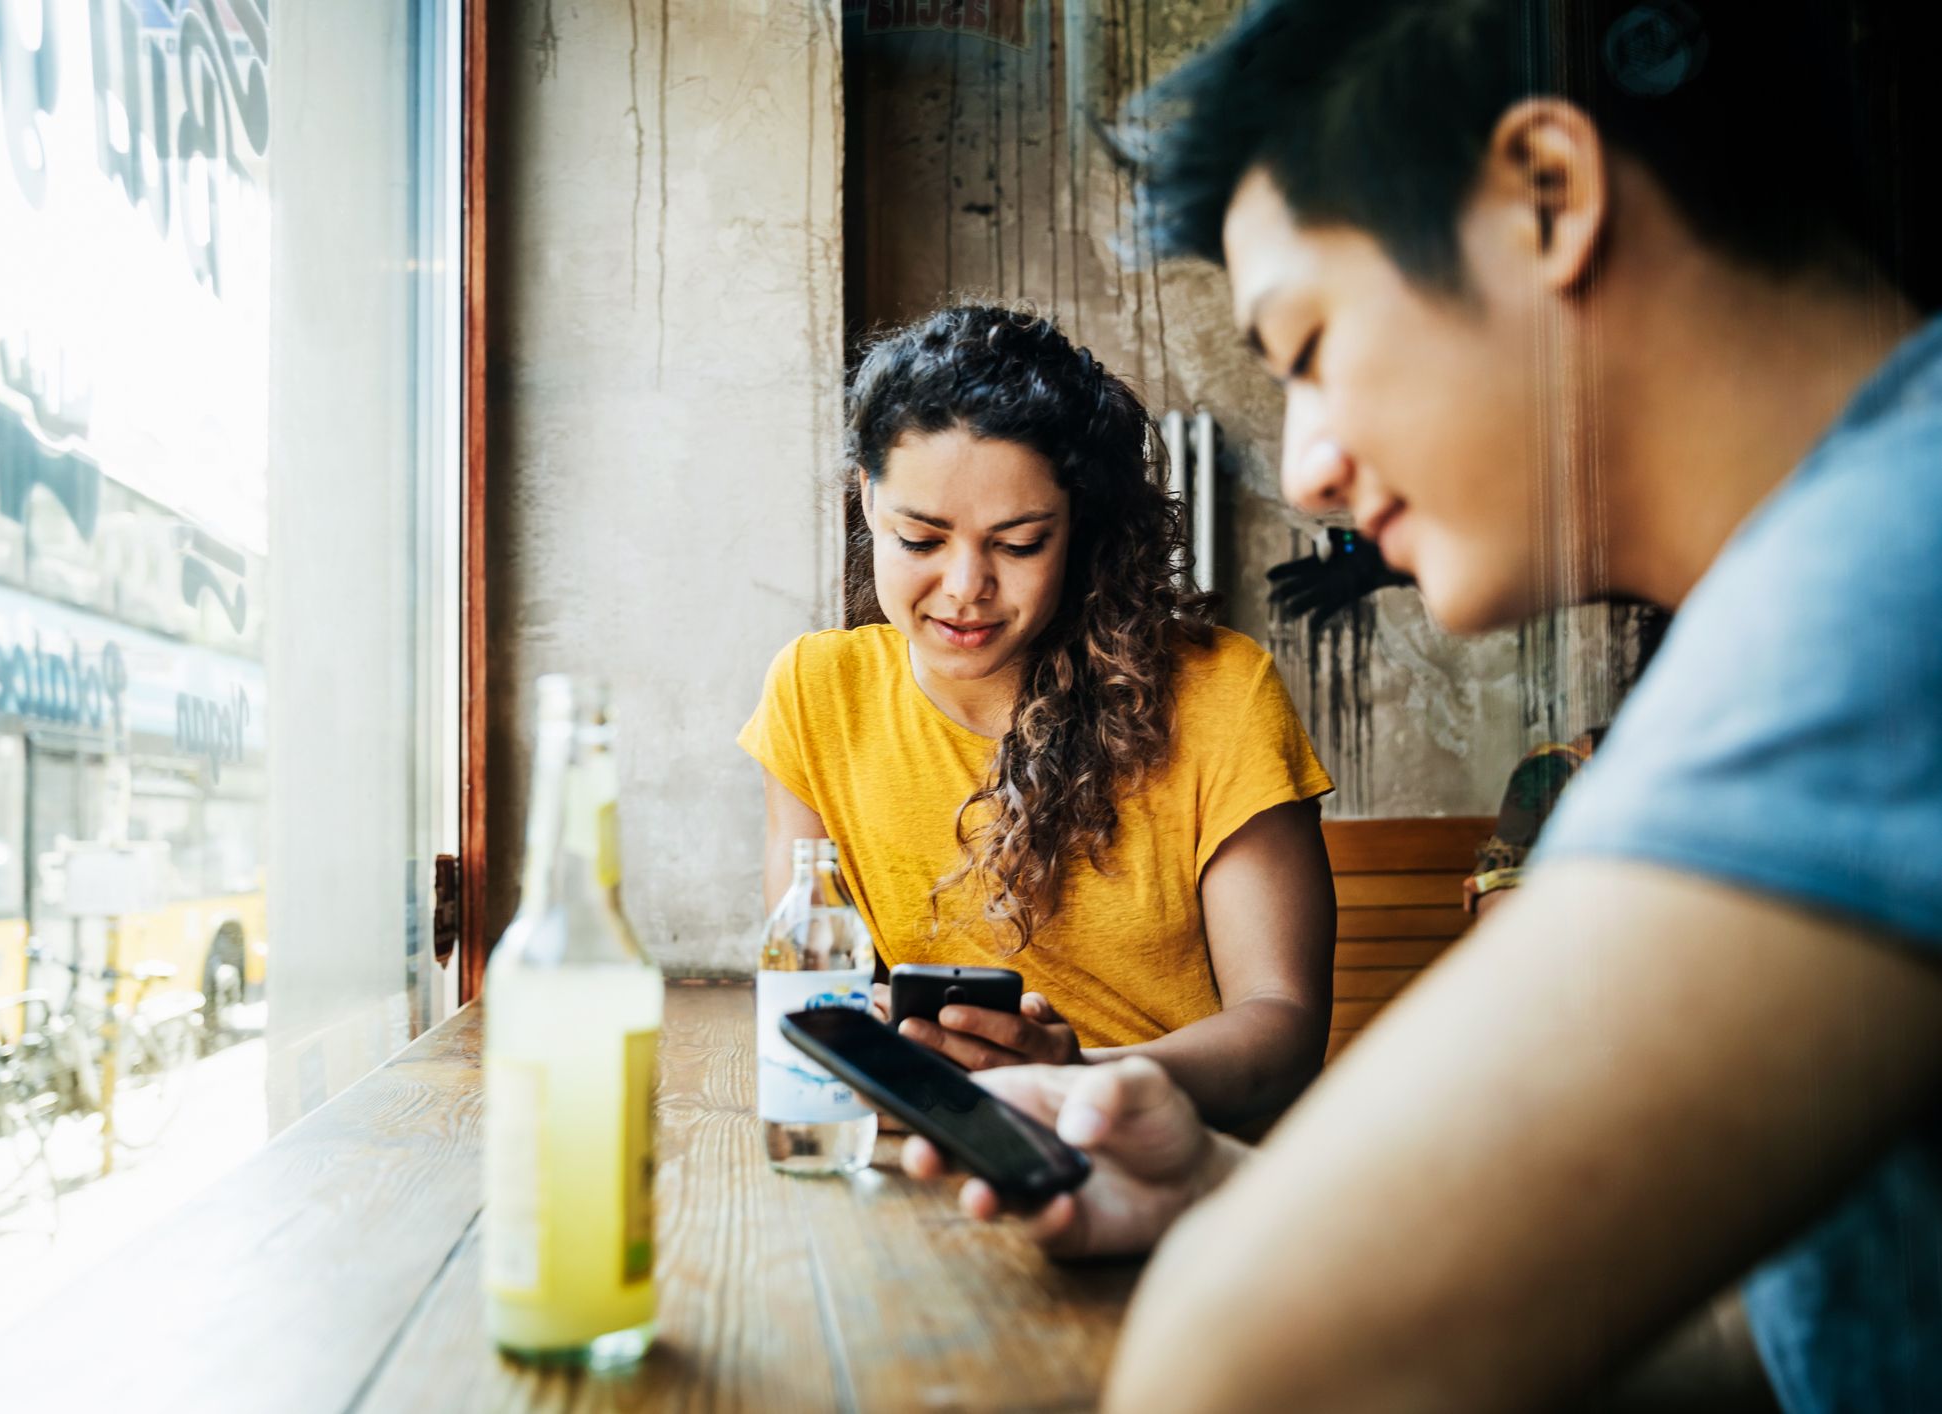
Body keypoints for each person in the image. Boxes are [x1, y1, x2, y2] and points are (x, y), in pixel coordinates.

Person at [903, 2, 1942, 1410]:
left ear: (1547, 199)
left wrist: (1264, 1269)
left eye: (1309, 343)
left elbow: (1251, 1364)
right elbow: (1804, 1356)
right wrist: (1223, 1194)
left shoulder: (1878, 586)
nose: (1314, 464)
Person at [739, 305, 1338, 1130]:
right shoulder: (815, 694)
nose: (963, 587)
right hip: (937, 1154)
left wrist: (1075, 1077)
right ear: (869, 502)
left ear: (1077, 529)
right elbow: (809, 992)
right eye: (920, 539)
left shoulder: (1221, 694)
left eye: (1017, 544)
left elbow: (1283, 1027)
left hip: (1177, 1163)